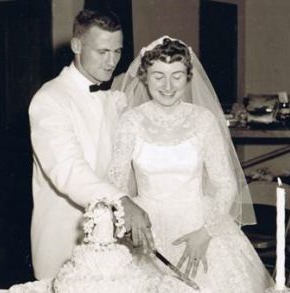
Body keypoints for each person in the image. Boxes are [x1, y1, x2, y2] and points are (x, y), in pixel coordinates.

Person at [108, 36, 274, 292]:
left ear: (188, 77)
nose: (167, 85)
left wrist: (205, 233)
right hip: (146, 225)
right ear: (144, 77)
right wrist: (129, 225)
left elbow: (226, 185)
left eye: (176, 75)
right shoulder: (130, 121)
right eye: (158, 75)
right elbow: (115, 182)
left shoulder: (203, 120)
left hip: (200, 225)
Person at [28, 9, 154, 279]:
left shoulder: (115, 99)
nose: (112, 62)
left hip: (113, 241)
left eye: (118, 52)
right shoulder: (50, 99)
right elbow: (68, 170)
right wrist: (122, 202)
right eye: (102, 51)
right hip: (66, 241)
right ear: (77, 45)